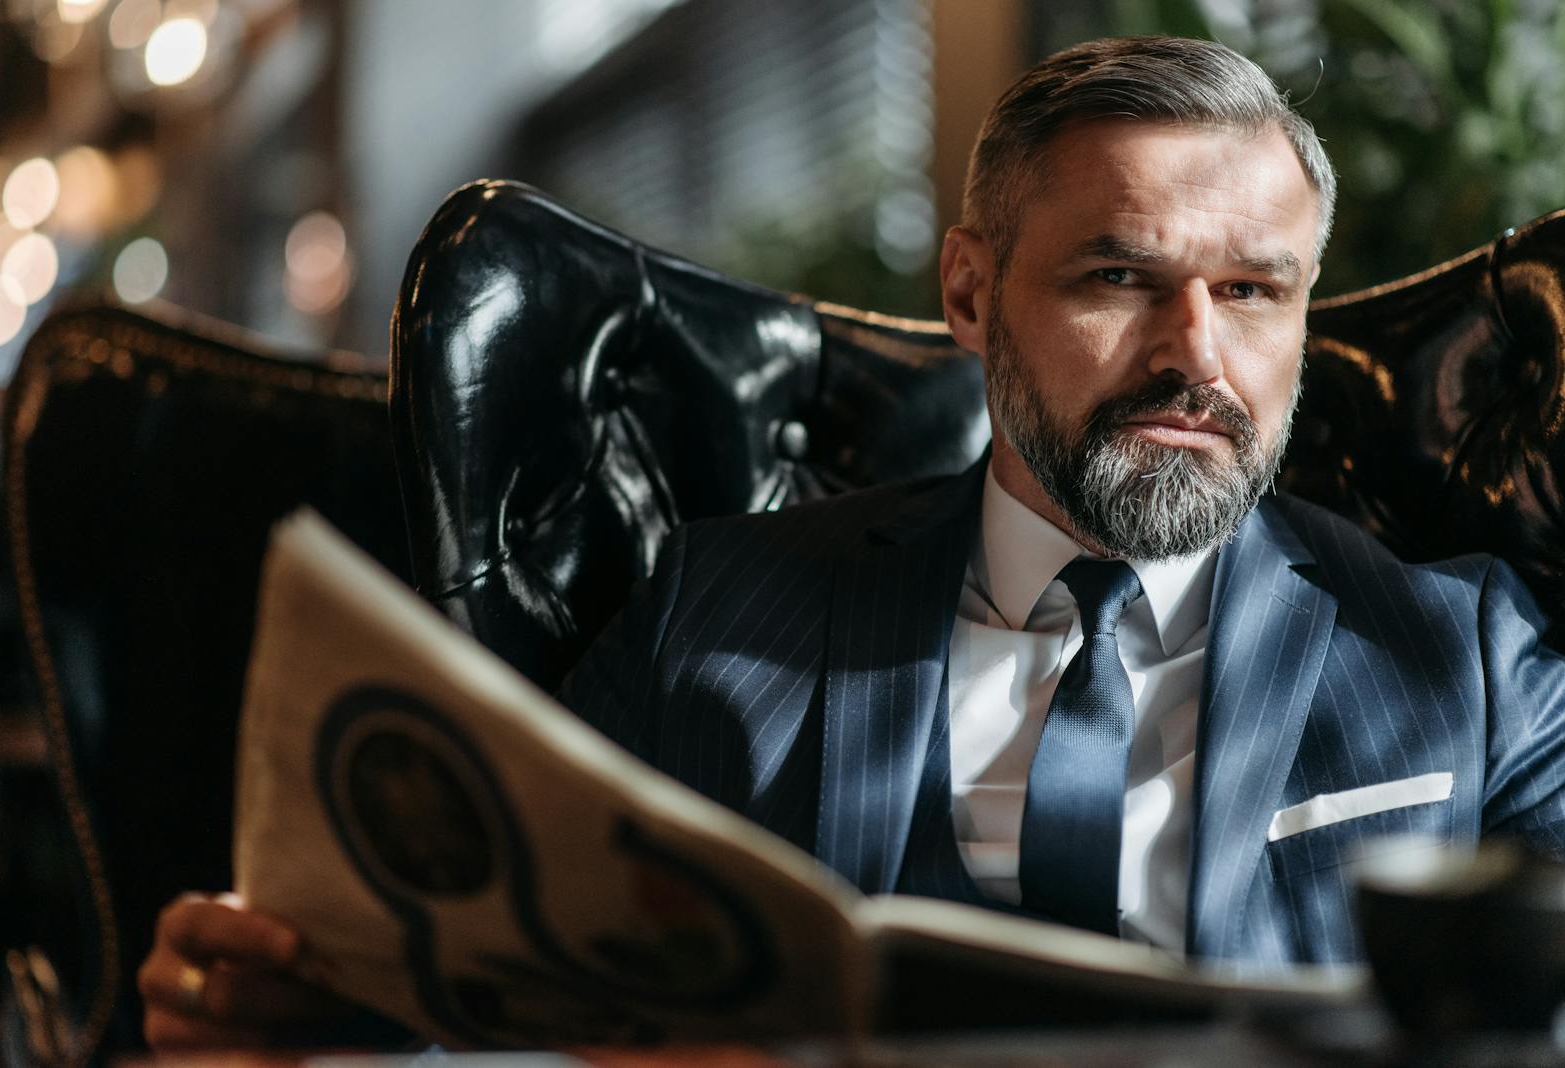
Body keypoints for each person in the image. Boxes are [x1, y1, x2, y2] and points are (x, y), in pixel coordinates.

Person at [139, 34, 1565, 1047]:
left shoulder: (1468, 658)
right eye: (1119, 275)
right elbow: (487, 988)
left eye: (1254, 290)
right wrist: (316, 1012)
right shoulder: (715, 613)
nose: (1195, 355)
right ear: (969, 289)